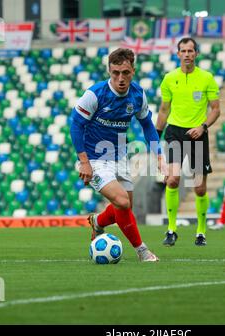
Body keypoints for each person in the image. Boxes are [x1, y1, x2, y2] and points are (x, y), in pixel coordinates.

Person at [70, 48, 166, 262]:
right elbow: (75, 124)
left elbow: (147, 126)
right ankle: (142, 251)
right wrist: (84, 162)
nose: (120, 78)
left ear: (133, 70)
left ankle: (98, 222)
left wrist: (158, 155)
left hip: (120, 155)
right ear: (109, 71)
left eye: (125, 73)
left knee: (125, 206)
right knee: (122, 201)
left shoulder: (137, 94)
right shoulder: (95, 94)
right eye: (115, 73)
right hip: (95, 158)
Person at [156, 37, 221, 246]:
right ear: (177, 54)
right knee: (172, 179)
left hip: (197, 134)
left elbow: (216, 110)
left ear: (196, 54)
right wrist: (156, 134)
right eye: (183, 51)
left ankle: (201, 231)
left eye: (190, 51)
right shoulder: (169, 79)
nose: (187, 54)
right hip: (174, 132)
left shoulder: (207, 78)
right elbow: (164, 109)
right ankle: (171, 229)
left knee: (199, 188)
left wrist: (202, 127)